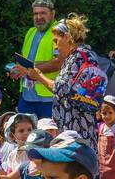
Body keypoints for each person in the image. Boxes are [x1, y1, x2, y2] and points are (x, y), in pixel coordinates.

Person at [16, 15, 105, 145]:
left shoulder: (77, 57)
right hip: (81, 127)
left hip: (76, 130)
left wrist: (39, 76)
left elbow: (61, 89)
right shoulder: (83, 55)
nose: (55, 47)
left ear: (67, 37)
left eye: (56, 41)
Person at [11, 0, 63, 117]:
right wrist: (17, 70)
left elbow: (58, 63)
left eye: (43, 13)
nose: (38, 17)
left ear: (52, 13)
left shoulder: (59, 33)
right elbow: (23, 60)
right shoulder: (30, 32)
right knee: (25, 135)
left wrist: (30, 69)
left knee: (49, 135)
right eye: (36, 13)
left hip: (49, 98)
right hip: (26, 96)